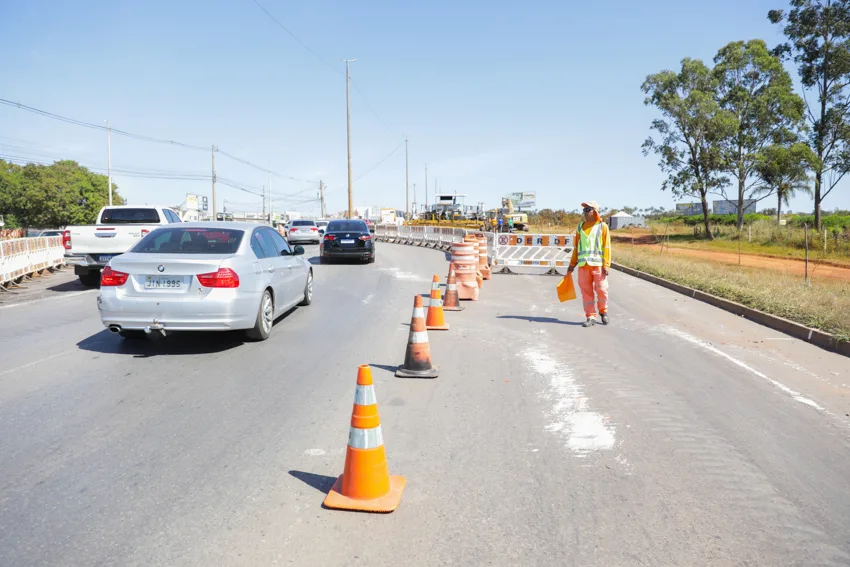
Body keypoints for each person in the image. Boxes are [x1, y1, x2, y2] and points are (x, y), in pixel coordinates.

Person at [567, 201, 611, 327]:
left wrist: (606, 264)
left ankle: (603, 312)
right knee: (586, 292)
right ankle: (590, 316)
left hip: (598, 265)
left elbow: (607, 246)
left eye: (587, 210)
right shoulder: (580, 227)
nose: (585, 212)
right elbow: (576, 247)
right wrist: (572, 264)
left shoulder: (602, 226)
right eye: (584, 210)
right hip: (583, 266)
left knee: (602, 289)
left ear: (595, 211)